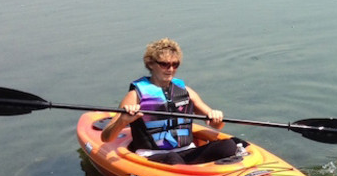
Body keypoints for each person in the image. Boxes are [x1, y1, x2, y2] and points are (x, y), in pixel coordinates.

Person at [101, 38, 238, 165]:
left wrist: (216, 117)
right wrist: (123, 121)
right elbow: (106, 137)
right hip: (153, 156)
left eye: (175, 64)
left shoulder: (186, 92)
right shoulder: (135, 95)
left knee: (229, 145)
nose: (171, 69)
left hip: (187, 152)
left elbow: (218, 126)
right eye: (164, 64)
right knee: (172, 158)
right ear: (151, 64)